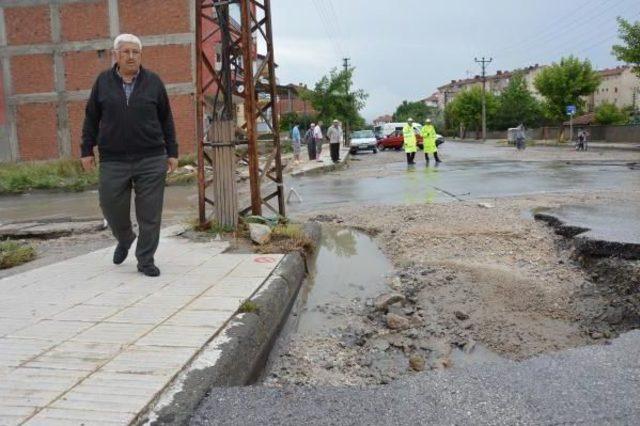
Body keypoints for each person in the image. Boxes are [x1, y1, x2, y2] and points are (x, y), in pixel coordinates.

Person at [80, 34, 178, 277]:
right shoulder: (103, 82)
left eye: (136, 52)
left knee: (150, 214)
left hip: (151, 158)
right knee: (110, 206)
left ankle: (145, 260)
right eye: (126, 52)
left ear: (140, 55)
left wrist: (172, 152)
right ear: (116, 55)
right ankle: (125, 238)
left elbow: (166, 118)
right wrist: (86, 150)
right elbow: (91, 117)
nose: (131, 56)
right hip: (113, 159)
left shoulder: (154, 82)